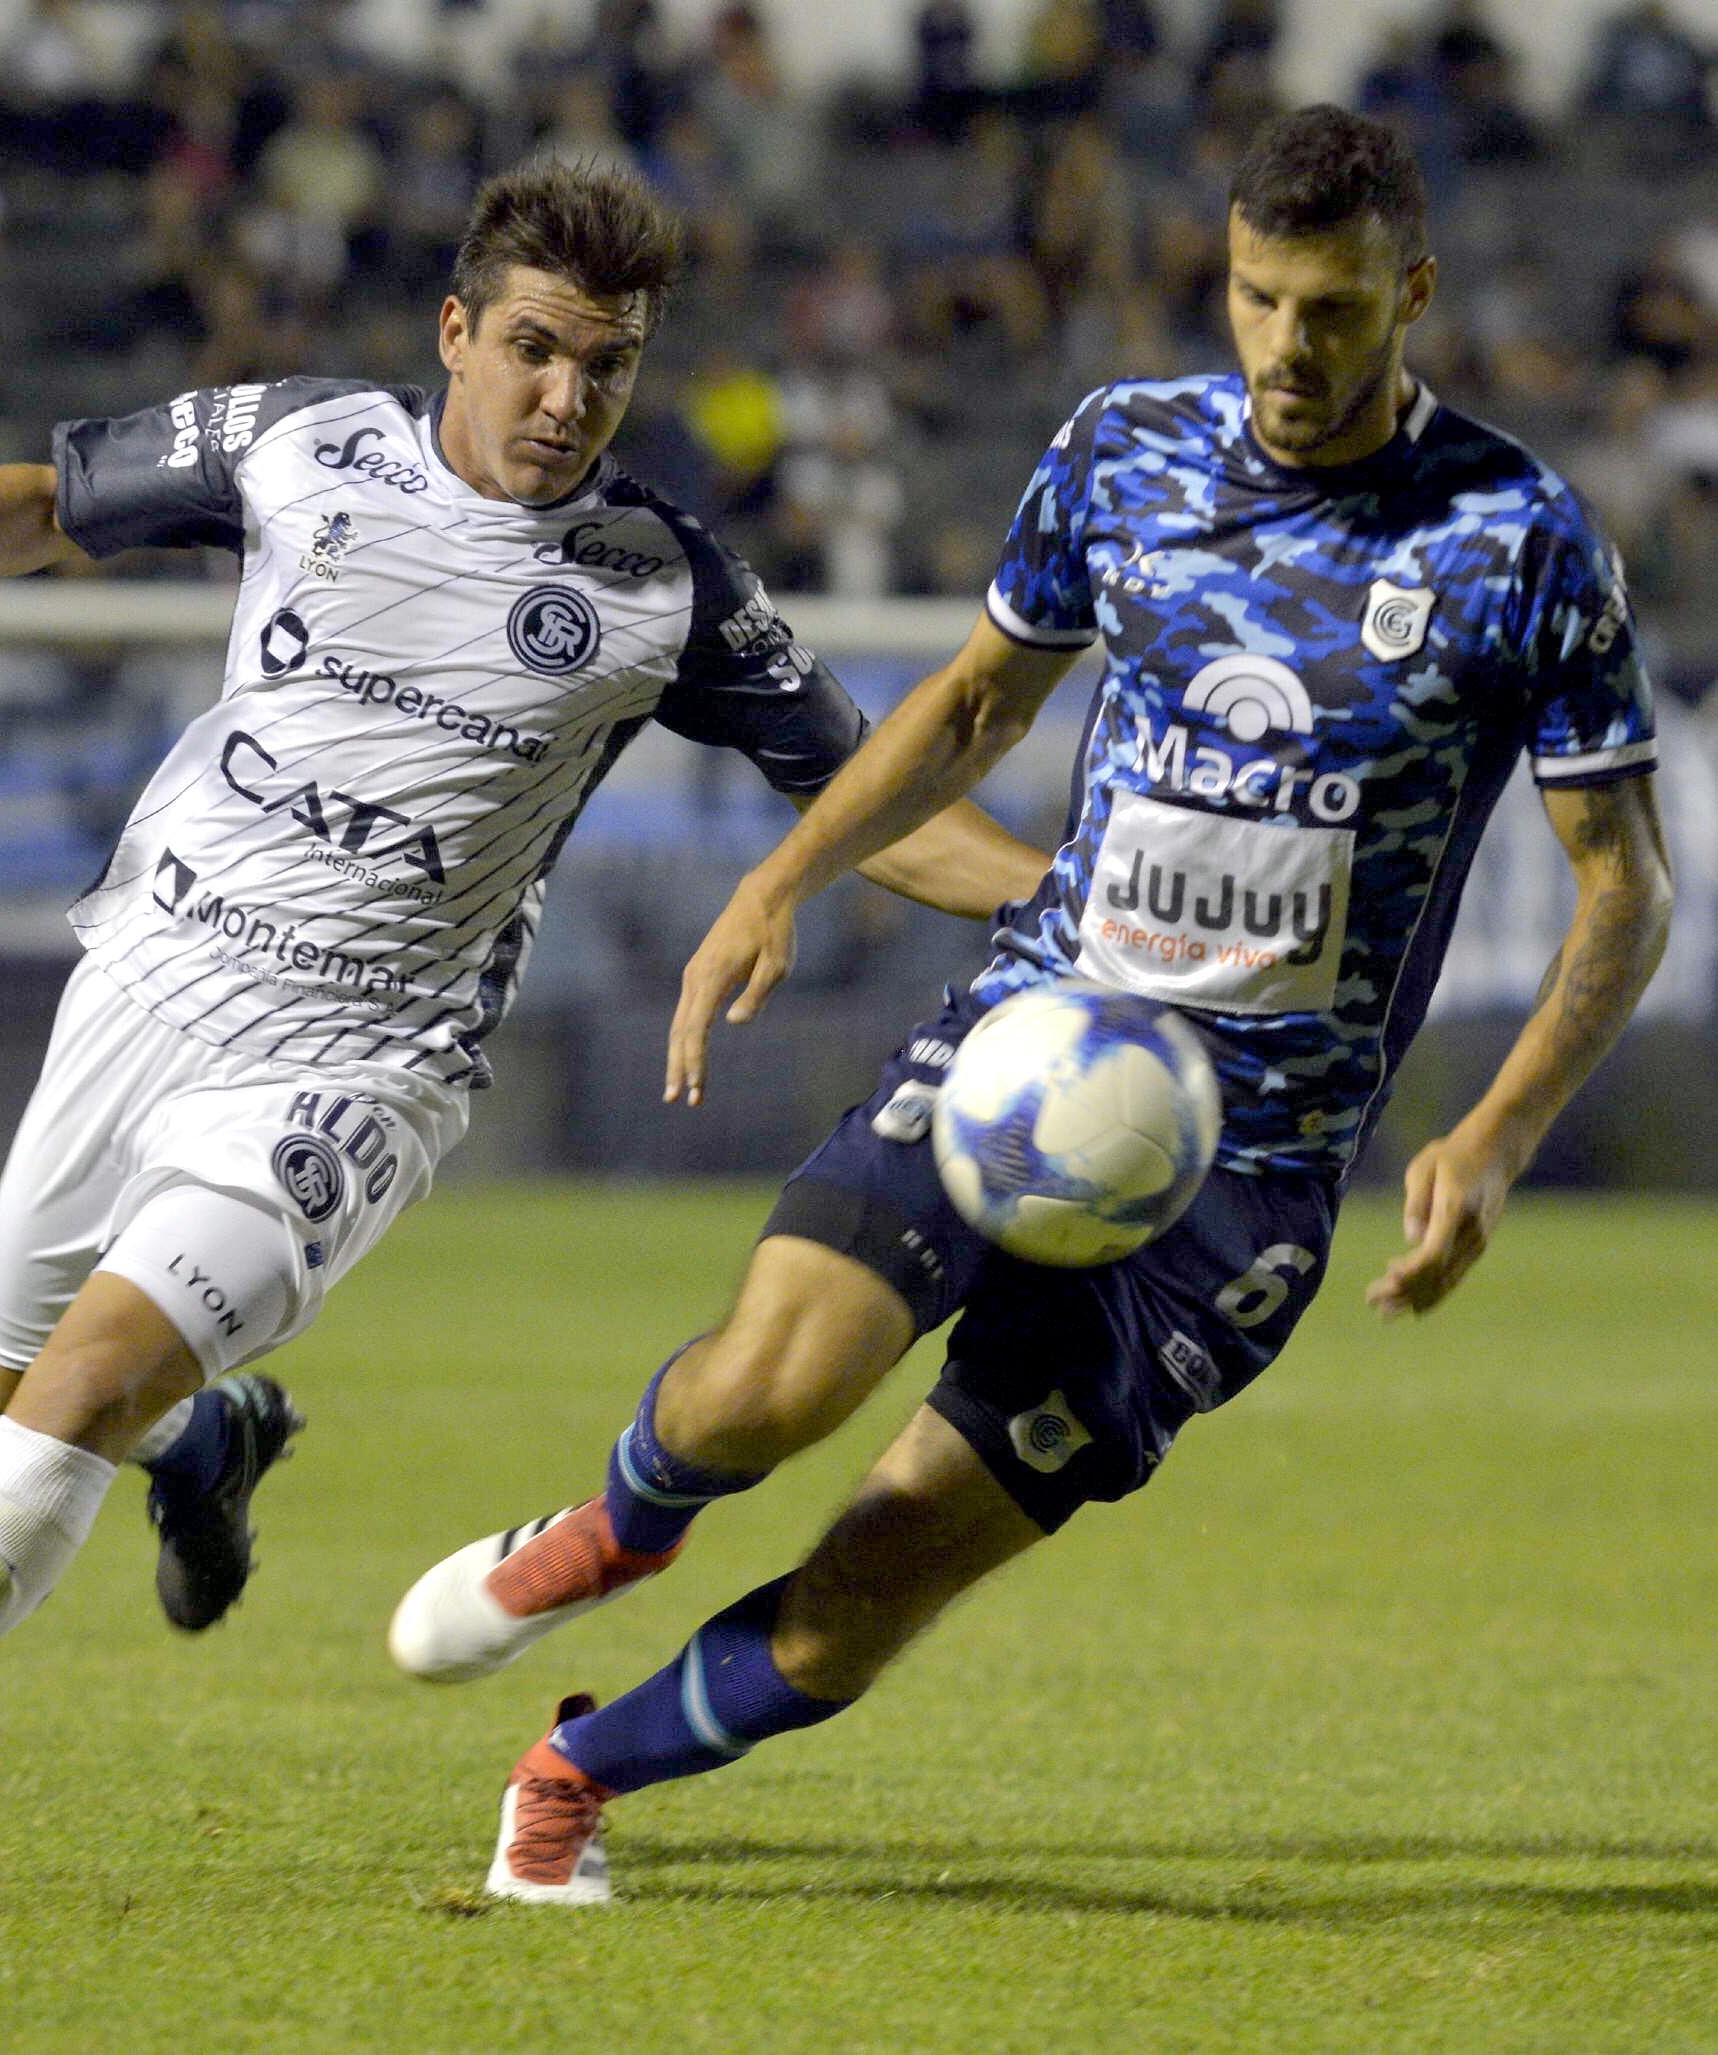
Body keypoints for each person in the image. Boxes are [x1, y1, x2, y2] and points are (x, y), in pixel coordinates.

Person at [0, 159, 1045, 1874]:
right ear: (455, 333)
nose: (566, 396)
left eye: (607, 365)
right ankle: (215, 1446)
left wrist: (1077, 910)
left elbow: (869, 795)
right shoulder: (305, 442)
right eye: (532, 348)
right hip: (145, 984)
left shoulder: (656, 578)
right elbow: (57, 500)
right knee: (0, 1384)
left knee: (64, 1401)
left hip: (355, 1069)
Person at [387, 107, 1676, 1905]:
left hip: (1243, 1182)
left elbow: (1624, 884)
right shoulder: (1125, 452)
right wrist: (785, 879)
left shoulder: (1517, 540)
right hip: (1036, 1036)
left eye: (1333, 311)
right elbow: (982, 703)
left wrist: (1498, 1127)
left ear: (1415, 295)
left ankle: (573, 1771)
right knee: (768, 1387)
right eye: (1255, 300)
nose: (1289, 349)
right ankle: (618, 1526)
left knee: (863, 1604)